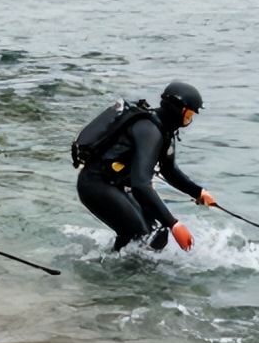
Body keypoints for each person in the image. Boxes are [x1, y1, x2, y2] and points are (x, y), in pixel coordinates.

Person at [74, 81, 214, 254]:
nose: (189, 121)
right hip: (95, 185)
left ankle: (121, 270)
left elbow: (169, 171)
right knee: (139, 236)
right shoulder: (150, 131)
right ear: (178, 110)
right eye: (189, 115)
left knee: (155, 234)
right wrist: (175, 224)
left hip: (115, 184)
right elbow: (141, 185)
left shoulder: (163, 130)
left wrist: (198, 192)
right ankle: (111, 274)